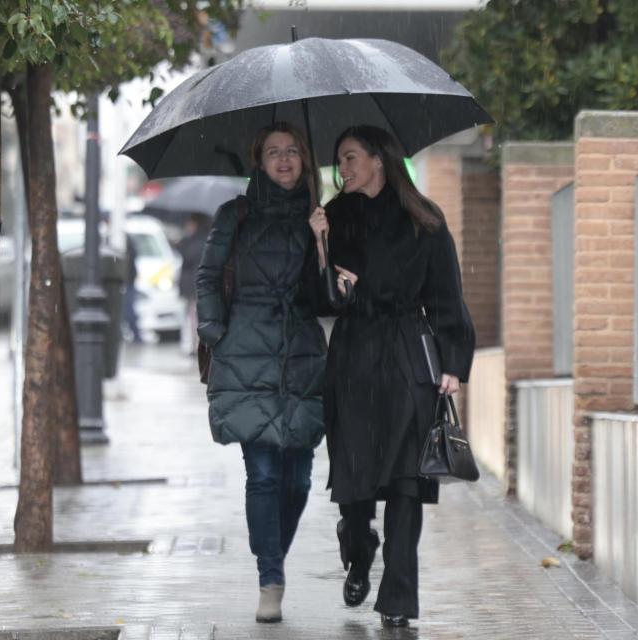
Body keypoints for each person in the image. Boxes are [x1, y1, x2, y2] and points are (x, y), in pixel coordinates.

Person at [308, 125, 475, 628]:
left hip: (407, 357)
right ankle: (358, 548)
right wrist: (320, 247)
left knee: (406, 482)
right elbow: (320, 302)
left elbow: (447, 294)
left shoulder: (424, 219)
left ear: (379, 159)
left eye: (351, 157)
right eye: (339, 160)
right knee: (355, 484)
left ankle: (398, 599)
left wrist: (452, 363)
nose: (343, 168)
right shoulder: (333, 218)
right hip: (353, 358)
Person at [195, 122, 326, 624]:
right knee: (265, 474)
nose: (285, 159)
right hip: (246, 354)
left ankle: (274, 557)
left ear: (304, 160)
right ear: (259, 161)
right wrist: (214, 330)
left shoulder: (319, 216)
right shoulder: (236, 215)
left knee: (299, 480)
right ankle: (269, 578)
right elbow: (208, 275)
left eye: (292, 150)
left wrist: (321, 241)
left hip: (301, 358)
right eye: (274, 152)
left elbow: (328, 296)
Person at [178, 213, 210, 354]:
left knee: (194, 315)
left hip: (194, 284)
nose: (188, 226)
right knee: (196, 315)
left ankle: (197, 345)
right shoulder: (207, 238)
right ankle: (197, 344)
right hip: (201, 283)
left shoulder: (196, 240)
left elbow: (189, 257)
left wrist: (182, 244)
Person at [123, 232, 142, 343]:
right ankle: (136, 335)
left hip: (128, 281)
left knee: (129, 310)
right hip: (127, 281)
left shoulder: (127, 242)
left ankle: (136, 335)